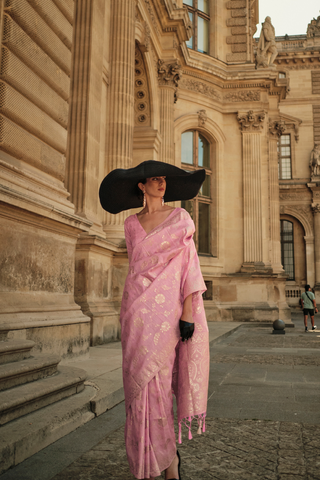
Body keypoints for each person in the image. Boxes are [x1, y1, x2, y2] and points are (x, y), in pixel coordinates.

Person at [99, 160, 210, 480]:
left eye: (164, 179)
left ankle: (169, 461)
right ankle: (145, 466)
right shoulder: (131, 225)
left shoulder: (180, 217)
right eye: (155, 179)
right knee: (136, 392)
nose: (162, 183)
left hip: (167, 315)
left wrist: (188, 313)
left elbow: (189, 266)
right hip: (135, 313)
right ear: (141, 186)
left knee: (159, 389)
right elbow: (136, 269)